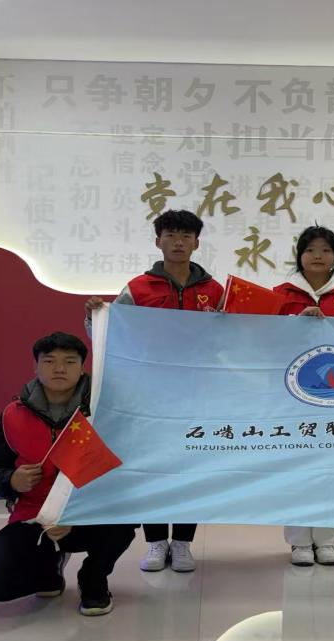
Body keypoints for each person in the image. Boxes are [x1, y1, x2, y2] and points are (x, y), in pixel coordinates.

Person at [84, 209, 223, 574]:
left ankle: (183, 543)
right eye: (171, 235)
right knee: (152, 467)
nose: (178, 242)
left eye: (186, 236)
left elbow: (233, 335)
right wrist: (95, 316)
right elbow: (111, 332)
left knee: (191, 467)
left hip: (198, 393)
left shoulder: (215, 291)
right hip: (149, 395)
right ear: (158, 241)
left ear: (196, 243)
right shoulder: (138, 288)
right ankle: (156, 542)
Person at [0, 332, 136, 616]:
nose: (59, 368)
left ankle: (93, 578)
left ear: (82, 368)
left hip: (92, 512)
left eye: (69, 362)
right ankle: (48, 569)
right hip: (35, 516)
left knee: (122, 526)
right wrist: (11, 480)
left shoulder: (104, 412)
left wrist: (74, 514)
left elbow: (127, 470)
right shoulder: (12, 415)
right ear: (35, 366)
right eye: (49, 361)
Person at [273, 225, 334, 567]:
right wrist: (295, 323)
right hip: (292, 395)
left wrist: (333, 325)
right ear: (299, 255)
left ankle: (327, 540)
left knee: (332, 467)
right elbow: (263, 339)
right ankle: (299, 541)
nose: (318, 256)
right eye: (311, 249)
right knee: (297, 467)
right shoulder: (280, 294)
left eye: (326, 250)